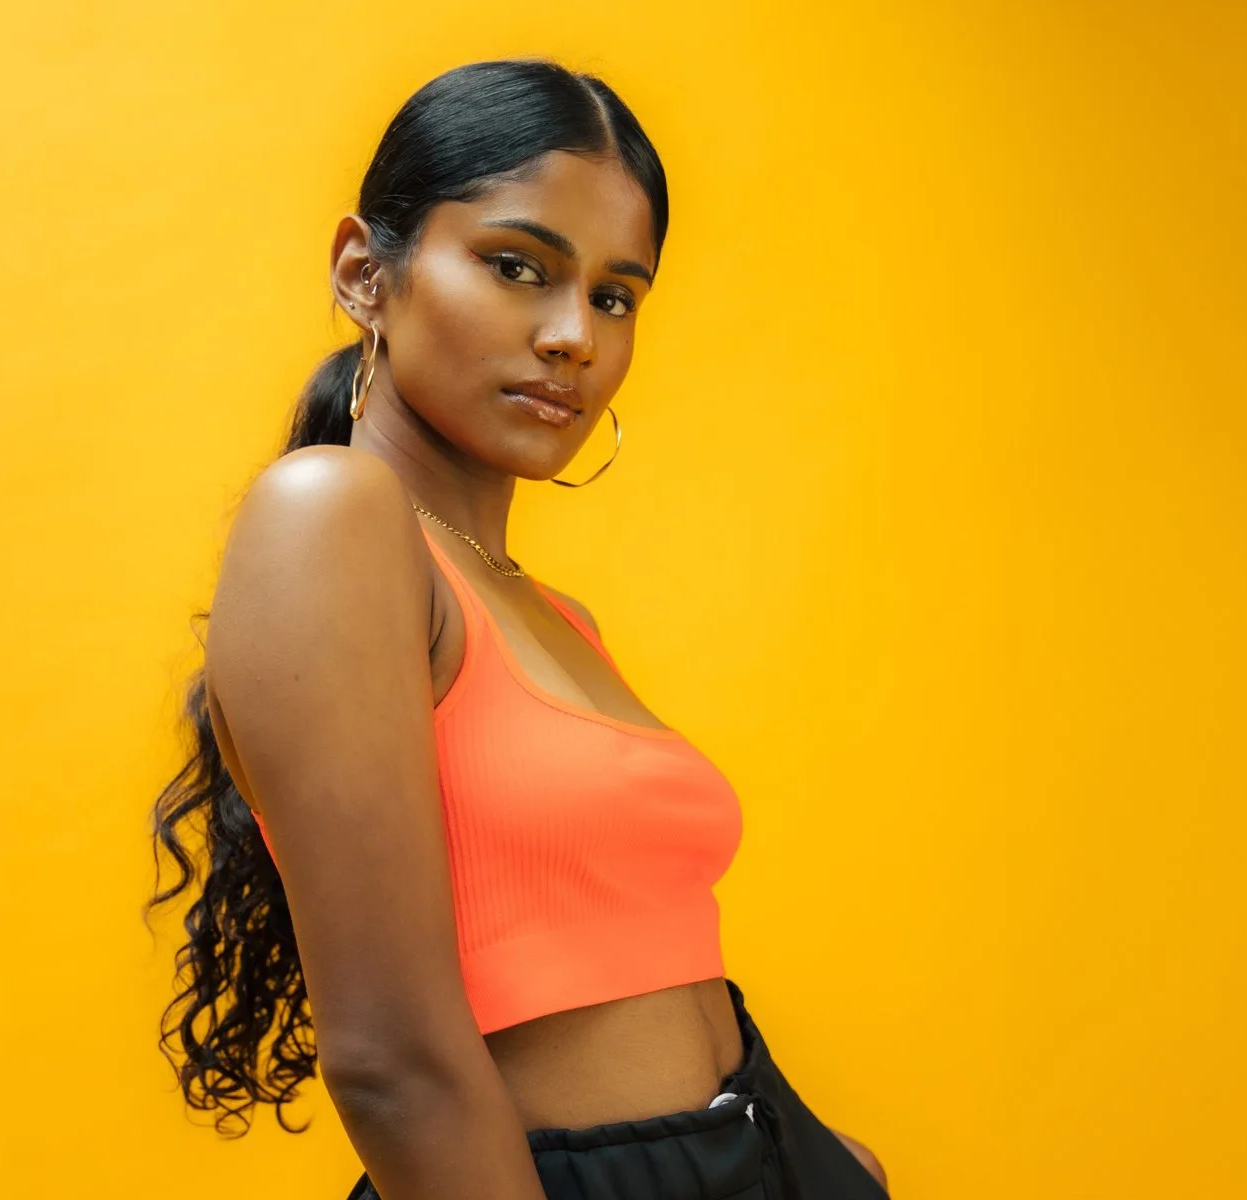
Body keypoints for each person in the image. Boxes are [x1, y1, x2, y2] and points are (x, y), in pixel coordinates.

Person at [146, 58, 892, 1200]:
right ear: (364, 271)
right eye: (516, 267)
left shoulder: (553, 617)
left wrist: (822, 1161)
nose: (571, 337)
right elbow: (390, 1061)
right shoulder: (333, 517)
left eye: (614, 295)